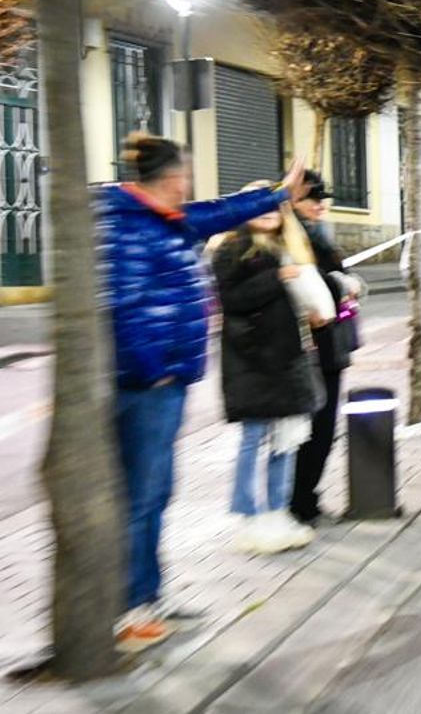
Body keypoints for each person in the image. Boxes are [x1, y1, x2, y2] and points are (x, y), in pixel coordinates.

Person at [99, 134, 305, 651]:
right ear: (172, 178)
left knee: (158, 493)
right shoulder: (129, 224)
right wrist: (154, 369)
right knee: (141, 497)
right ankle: (129, 610)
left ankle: (150, 595)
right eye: (186, 175)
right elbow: (122, 307)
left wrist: (279, 193)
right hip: (148, 384)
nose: (190, 185)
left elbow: (220, 210)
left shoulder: (167, 219)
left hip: (168, 380)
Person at [212, 190, 331, 556]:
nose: (267, 214)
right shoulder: (230, 248)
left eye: (274, 208)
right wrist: (278, 278)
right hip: (252, 361)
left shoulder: (289, 248)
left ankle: (278, 511)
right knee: (254, 439)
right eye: (258, 207)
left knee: (286, 440)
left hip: (288, 360)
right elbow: (232, 299)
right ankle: (249, 516)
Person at [290, 171, 364, 527]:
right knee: (313, 429)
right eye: (311, 198)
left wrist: (345, 283)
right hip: (311, 348)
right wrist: (339, 285)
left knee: (324, 428)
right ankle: (300, 500)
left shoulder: (318, 234)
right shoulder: (293, 237)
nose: (320, 204)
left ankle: (308, 497)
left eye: (323, 198)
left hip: (332, 344)